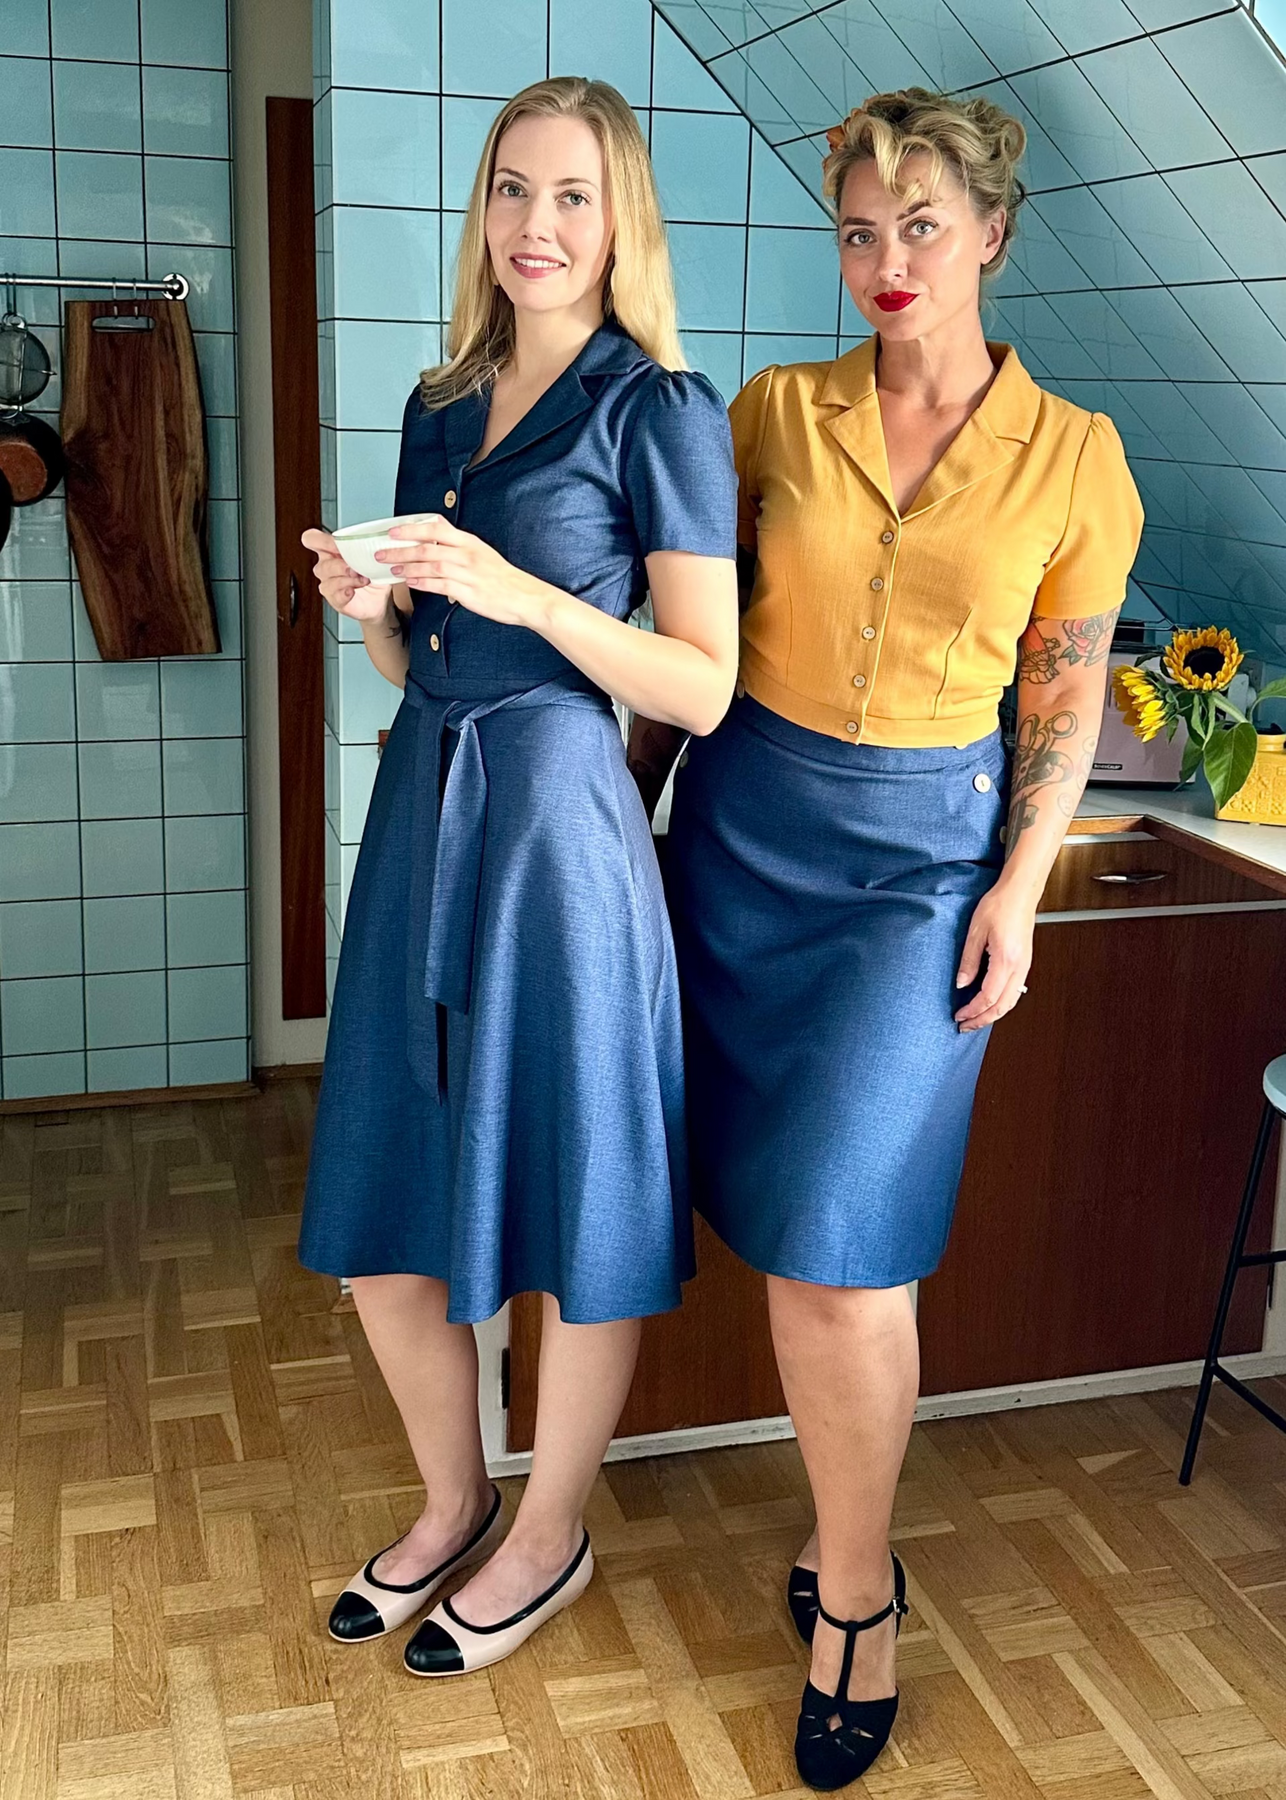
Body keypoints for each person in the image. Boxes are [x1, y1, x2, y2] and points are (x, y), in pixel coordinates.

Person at [629, 88, 1143, 1789]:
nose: (887, 260)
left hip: (921, 870)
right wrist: (621, 824)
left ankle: (855, 1595)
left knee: (844, 1256)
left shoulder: (1076, 456)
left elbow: (1058, 697)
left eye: (920, 225)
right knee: (742, 1218)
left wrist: (1018, 883)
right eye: (859, 231)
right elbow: (688, 645)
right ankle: (822, 1537)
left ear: (991, 232)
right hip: (737, 835)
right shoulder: (772, 413)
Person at [298, 76, 738, 1679]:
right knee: (383, 1201)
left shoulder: (658, 407)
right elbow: (419, 659)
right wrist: (373, 608)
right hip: (424, 811)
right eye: (509, 188)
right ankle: (452, 1501)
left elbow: (701, 685)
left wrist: (524, 593)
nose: (533, 225)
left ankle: (548, 1532)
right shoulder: (439, 399)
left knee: (572, 1196)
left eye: (570, 195)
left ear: (620, 222)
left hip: (558, 832)